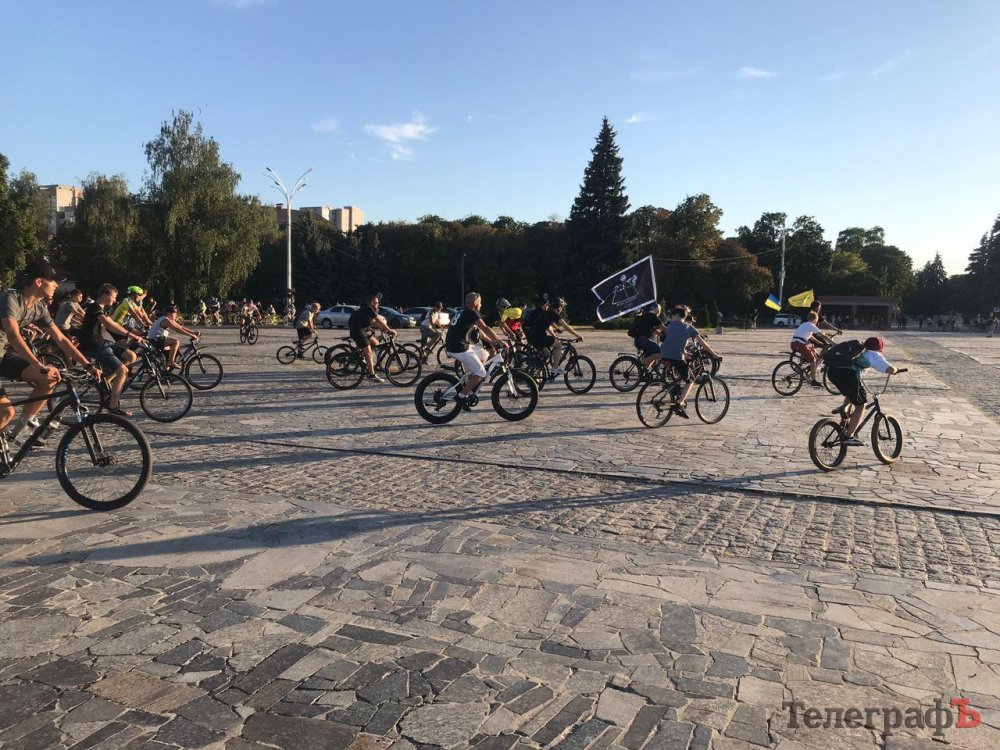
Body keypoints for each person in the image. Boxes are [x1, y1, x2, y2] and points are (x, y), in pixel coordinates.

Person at [1, 260, 104, 443]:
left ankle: (21, 430)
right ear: (38, 282)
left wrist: (87, 365)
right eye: (53, 280)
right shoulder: (10, 298)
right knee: (6, 412)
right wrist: (38, 364)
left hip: (3, 355)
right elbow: (13, 336)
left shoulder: (40, 307)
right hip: (4, 352)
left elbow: (61, 339)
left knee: (50, 378)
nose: (57, 285)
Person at [78, 283, 146, 417]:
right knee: (122, 370)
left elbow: (114, 324)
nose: (115, 301)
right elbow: (109, 325)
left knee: (131, 356)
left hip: (101, 342)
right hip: (92, 345)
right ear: (104, 295)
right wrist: (131, 335)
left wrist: (135, 334)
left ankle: (106, 382)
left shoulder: (102, 309)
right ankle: (113, 405)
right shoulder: (94, 307)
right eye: (113, 297)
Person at [826, 336, 901, 446]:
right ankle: (849, 436)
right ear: (878, 349)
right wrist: (896, 370)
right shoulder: (873, 354)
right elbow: (889, 369)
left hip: (832, 372)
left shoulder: (857, 350)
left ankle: (844, 413)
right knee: (861, 405)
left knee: (851, 394)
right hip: (848, 374)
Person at [445, 292, 507, 410]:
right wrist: (500, 341)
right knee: (482, 373)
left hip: (457, 345)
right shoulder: (471, 312)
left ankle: (471, 382)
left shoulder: (463, 312)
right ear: (475, 303)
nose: (481, 305)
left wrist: (491, 342)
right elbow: (486, 328)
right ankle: (461, 397)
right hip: (459, 347)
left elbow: (480, 331)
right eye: (480, 303)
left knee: (484, 354)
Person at [659, 305, 722, 419]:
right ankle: (679, 403)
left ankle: (676, 390)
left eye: (673, 315)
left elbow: (674, 341)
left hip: (664, 355)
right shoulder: (688, 327)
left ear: (677, 315)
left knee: (680, 373)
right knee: (691, 380)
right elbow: (703, 344)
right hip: (676, 357)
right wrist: (715, 355)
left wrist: (684, 352)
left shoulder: (670, 325)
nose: (671, 317)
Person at [522, 296, 583, 374]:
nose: (561, 309)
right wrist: (578, 335)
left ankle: (537, 375)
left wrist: (554, 335)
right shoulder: (553, 314)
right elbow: (566, 326)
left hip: (533, 337)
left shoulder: (547, 313)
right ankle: (555, 368)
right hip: (538, 337)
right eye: (561, 307)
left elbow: (547, 327)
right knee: (559, 344)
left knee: (547, 355)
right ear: (559, 307)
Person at [348, 294, 396, 382]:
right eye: (376, 302)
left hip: (361, 330)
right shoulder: (368, 308)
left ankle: (364, 359)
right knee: (369, 352)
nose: (378, 304)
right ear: (371, 302)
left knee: (375, 343)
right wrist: (389, 330)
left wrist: (383, 329)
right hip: (357, 331)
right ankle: (371, 375)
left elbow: (374, 322)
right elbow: (378, 320)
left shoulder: (367, 309)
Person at [147, 303, 201, 370]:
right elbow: (177, 329)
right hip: (154, 340)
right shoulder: (166, 320)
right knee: (175, 342)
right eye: (175, 313)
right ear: (169, 313)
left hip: (159, 339)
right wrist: (191, 335)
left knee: (171, 350)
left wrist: (193, 332)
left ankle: (166, 370)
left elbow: (180, 327)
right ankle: (171, 362)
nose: (176, 315)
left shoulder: (169, 319)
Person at [790, 311, 836, 388]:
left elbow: (810, 336)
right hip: (800, 344)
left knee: (813, 349)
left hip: (794, 344)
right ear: (815, 319)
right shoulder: (812, 325)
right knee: (813, 361)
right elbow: (823, 336)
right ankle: (814, 381)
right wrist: (833, 344)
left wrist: (819, 343)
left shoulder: (804, 324)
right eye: (817, 320)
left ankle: (805, 369)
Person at [629, 303, 666, 369]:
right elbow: (664, 329)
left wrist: (660, 334)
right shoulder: (653, 316)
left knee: (652, 356)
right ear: (658, 311)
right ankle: (642, 361)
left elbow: (651, 330)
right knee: (661, 353)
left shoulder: (643, 316)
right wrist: (674, 334)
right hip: (645, 341)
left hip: (638, 340)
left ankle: (645, 370)